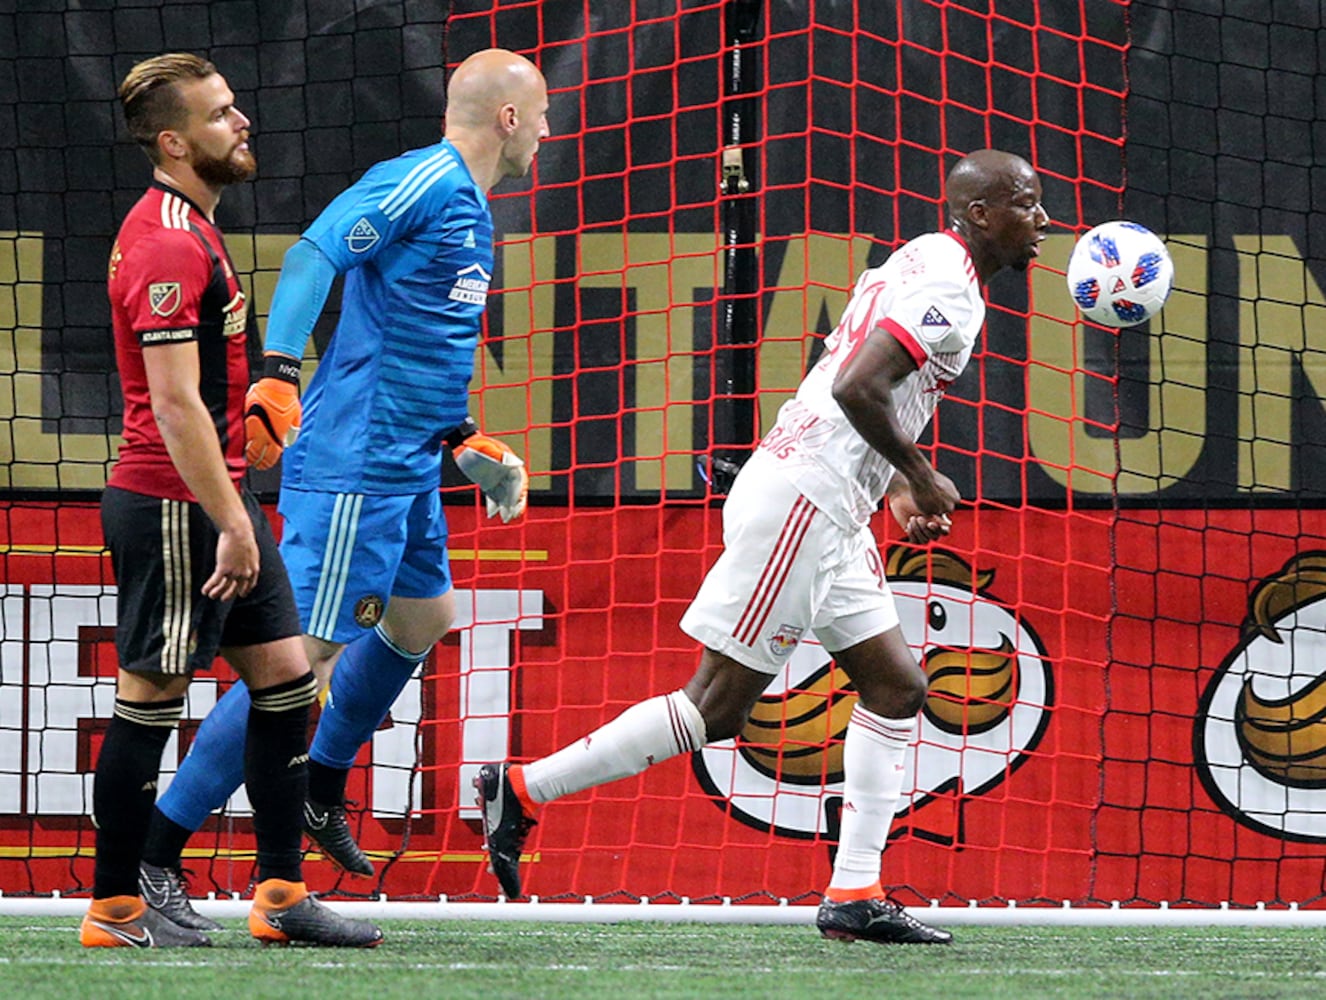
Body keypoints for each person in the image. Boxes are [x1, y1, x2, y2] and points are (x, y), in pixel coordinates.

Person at [476, 149, 1049, 945]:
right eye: (1026, 203)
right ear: (980, 213)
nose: (1043, 220)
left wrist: (890, 486)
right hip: (801, 506)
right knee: (714, 709)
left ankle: (855, 891)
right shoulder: (951, 290)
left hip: (831, 507)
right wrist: (919, 470)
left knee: (896, 688)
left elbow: (841, 382)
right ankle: (524, 789)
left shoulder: (923, 254)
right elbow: (855, 387)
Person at [133, 48, 548, 922]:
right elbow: (313, 256)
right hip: (355, 468)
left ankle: (320, 783)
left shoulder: (472, 210)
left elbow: (417, 342)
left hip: (410, 462)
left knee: (423, 619)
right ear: (508, 118)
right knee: (300, 664)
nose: (547, 130)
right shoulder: (422, 184)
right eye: (541, 113)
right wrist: (277, 374)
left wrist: (465, 439)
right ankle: (155, 852)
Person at [86, 53, 383, 949]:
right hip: (178, 505)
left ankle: (282, 897)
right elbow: (173, 405)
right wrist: (228, 521)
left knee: (289, 684)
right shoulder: (171, 243)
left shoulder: (191, 226)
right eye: (219, 115)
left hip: (215, 497)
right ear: (173, 143)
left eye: (234, 105)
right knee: (153, 694)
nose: (242, 121)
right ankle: (116, 908)